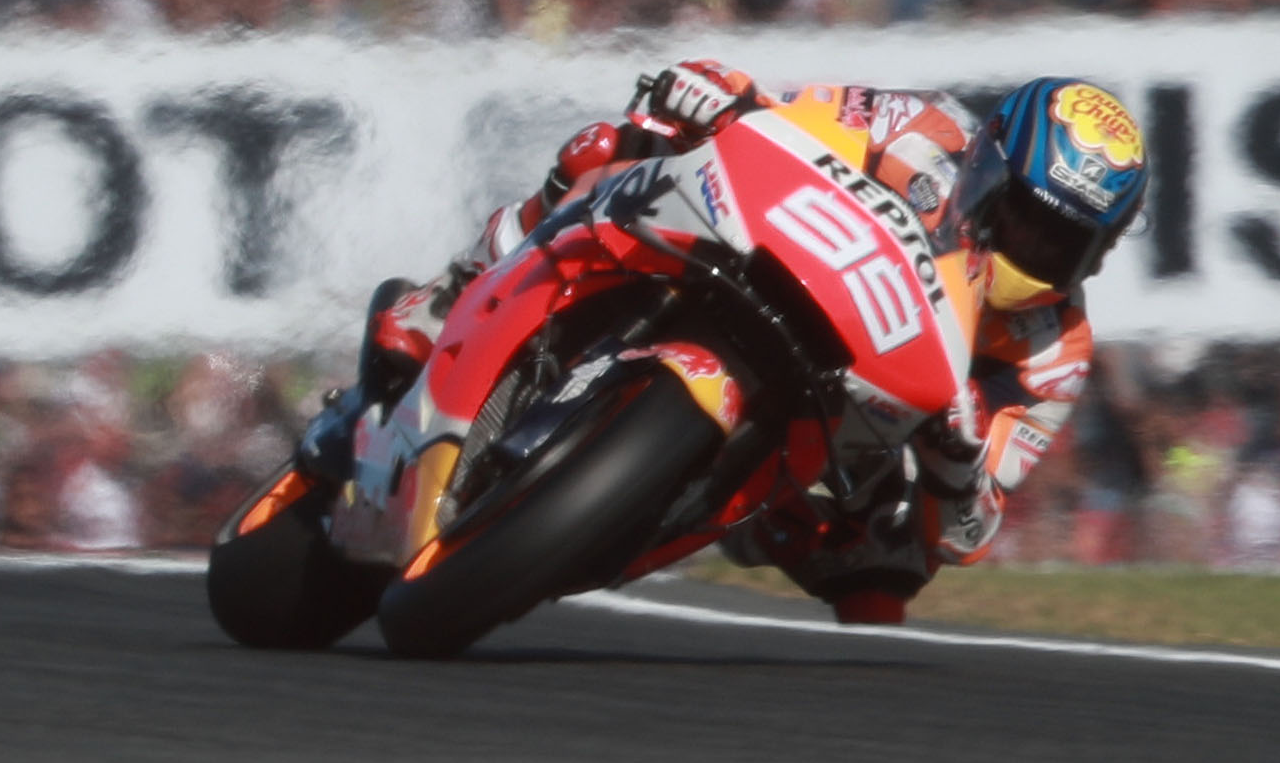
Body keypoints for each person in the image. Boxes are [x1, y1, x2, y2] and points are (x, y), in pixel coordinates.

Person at [303, 60, 1147, 623]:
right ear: (990, 174)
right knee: (620, 143)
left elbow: (968, 531)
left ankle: (708, 515)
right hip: (758, 260)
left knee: (884, 585)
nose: (1033, 253)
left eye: (1061, 244)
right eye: (1027, 221)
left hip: (847, 431)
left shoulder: (1051, 349)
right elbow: (783, 124)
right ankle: (445, 295)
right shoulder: (916, 133)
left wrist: (958, 460)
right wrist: (727, 96)